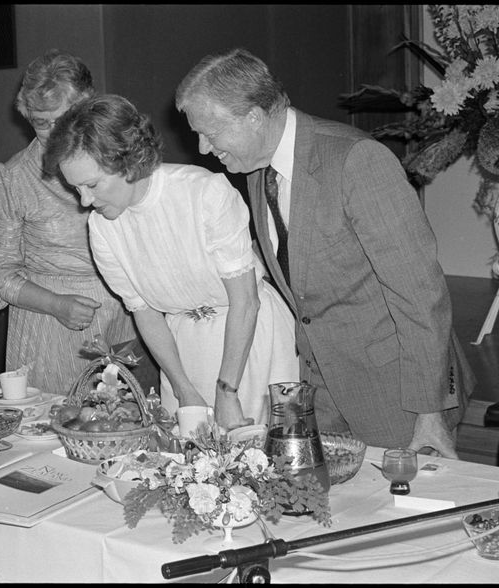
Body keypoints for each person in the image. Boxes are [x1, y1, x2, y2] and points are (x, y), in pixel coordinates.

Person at [174, 48, 475, 453]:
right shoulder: (256, 170)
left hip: (400, 397)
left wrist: (431, 412)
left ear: (255, 116)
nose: (204, 148)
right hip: (325, 394)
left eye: (210, 133)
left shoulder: (356, 160)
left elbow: (422, 294)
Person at [43, 94, 298, 429]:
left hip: (249, 337)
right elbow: (145, 312)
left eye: (91, 185)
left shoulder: (204, 194)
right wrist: (182, 386)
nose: (85, 201)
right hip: (182, 349)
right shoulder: (102, 228)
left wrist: (226, 390)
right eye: (76, 189)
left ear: (129, 163)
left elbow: (245, 301)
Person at [0, 50, 152, 396]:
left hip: (132, 316)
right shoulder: (14, 178)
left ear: (88, 105)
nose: (54, 132)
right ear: (25, 113)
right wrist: (55, 304)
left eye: (64, 118)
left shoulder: (122, 158)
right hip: (51, 327)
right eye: (41, 122)